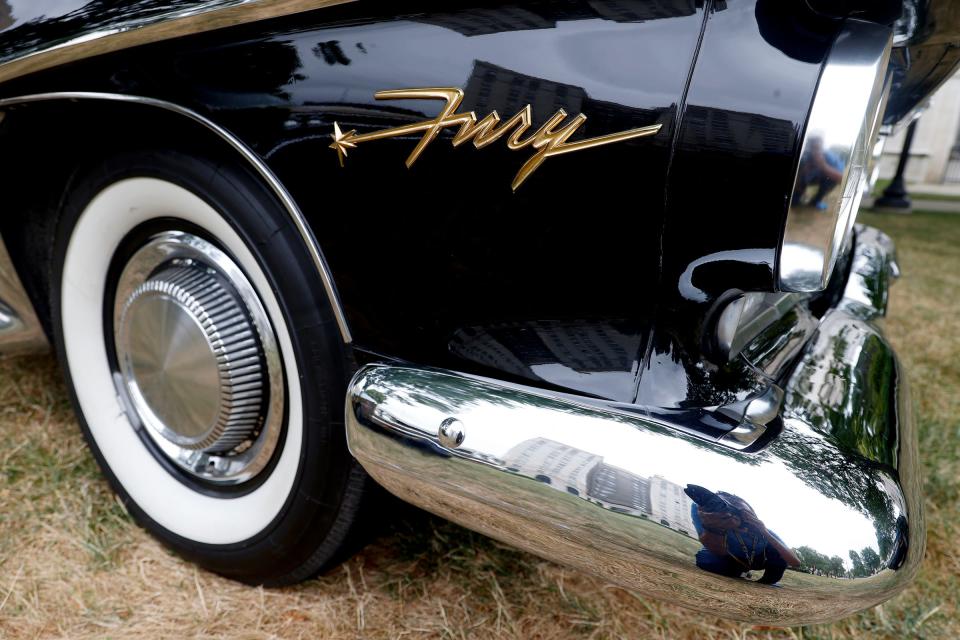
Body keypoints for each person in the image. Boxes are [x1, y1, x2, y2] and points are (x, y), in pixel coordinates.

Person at [690, 491, 801, 585]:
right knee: (708, 561)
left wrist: (765, 533)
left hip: (756, 559)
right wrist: (716, 528)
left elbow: (795, 562)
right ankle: (738, 571)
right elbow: (716, 550)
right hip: (729, 557)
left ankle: (766, 581)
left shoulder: (761, 529)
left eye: (746, 514)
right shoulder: (703, 511)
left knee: (777, 551)